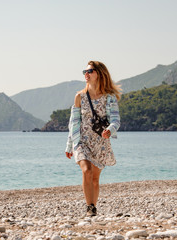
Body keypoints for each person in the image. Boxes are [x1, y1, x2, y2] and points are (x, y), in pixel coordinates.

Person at [65, 60, 121, 217]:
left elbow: (116, 120)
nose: (86, 74)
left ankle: (93, 207)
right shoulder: (79, 97)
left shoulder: (109, 98)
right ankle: (89, 206)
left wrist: (109, 130)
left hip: (100, 142)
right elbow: (74, 123)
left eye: (90, 71)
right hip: (82, 141)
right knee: (86, 171)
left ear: (99, 74)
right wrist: (69, 145)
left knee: (95, 179)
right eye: (85, 72)